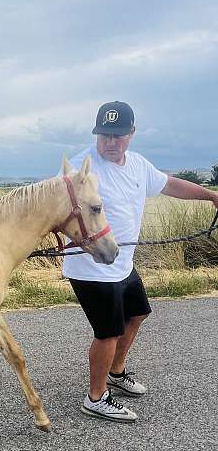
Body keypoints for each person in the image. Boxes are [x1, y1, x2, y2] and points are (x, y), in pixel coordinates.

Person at [63, 101, 218, 423]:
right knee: (108, 332)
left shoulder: (138, 165)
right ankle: (96, 397)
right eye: (104, 135)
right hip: (92, 266)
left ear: (131, 134)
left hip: (123, 262)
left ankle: (115, 373)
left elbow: (169, 184)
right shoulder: (81, 170)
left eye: (118, 135)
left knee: (138, 313)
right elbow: (59, 212)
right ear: (97, 134)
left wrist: (212, 196)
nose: (110, 142)